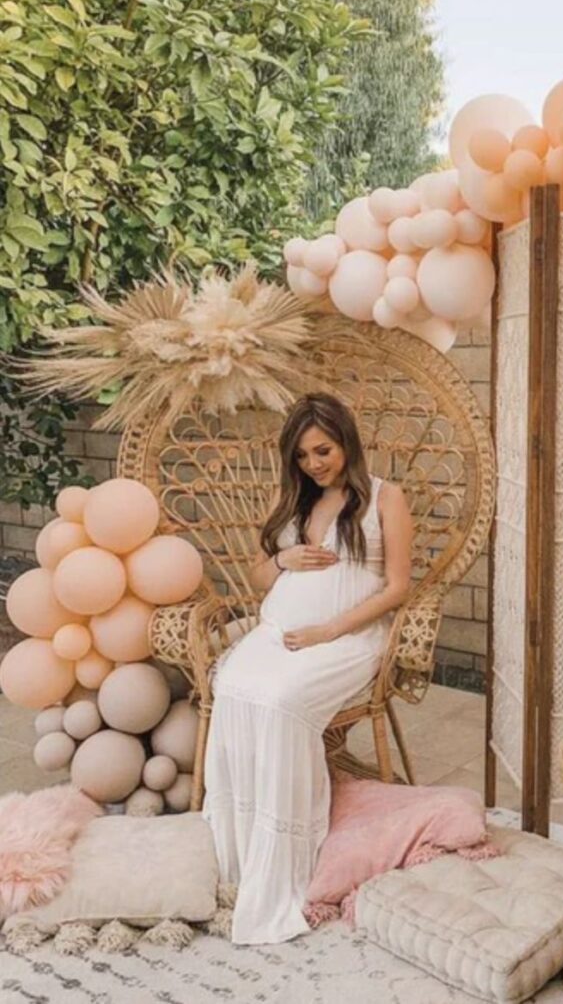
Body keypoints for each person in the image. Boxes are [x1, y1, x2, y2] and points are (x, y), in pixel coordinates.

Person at [201, 392, 413, 945]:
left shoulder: (385, 498)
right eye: (301, 455)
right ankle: (238, 850)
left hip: (348, 637)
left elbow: (398, 587)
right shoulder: (295, 499)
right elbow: (258, 577)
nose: (313, 463)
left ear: (347, 442)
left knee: (280, 702)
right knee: (232, 686)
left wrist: (330, 630)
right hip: (278, 631)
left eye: (323, 451)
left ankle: (288, 852)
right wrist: (282, 559)